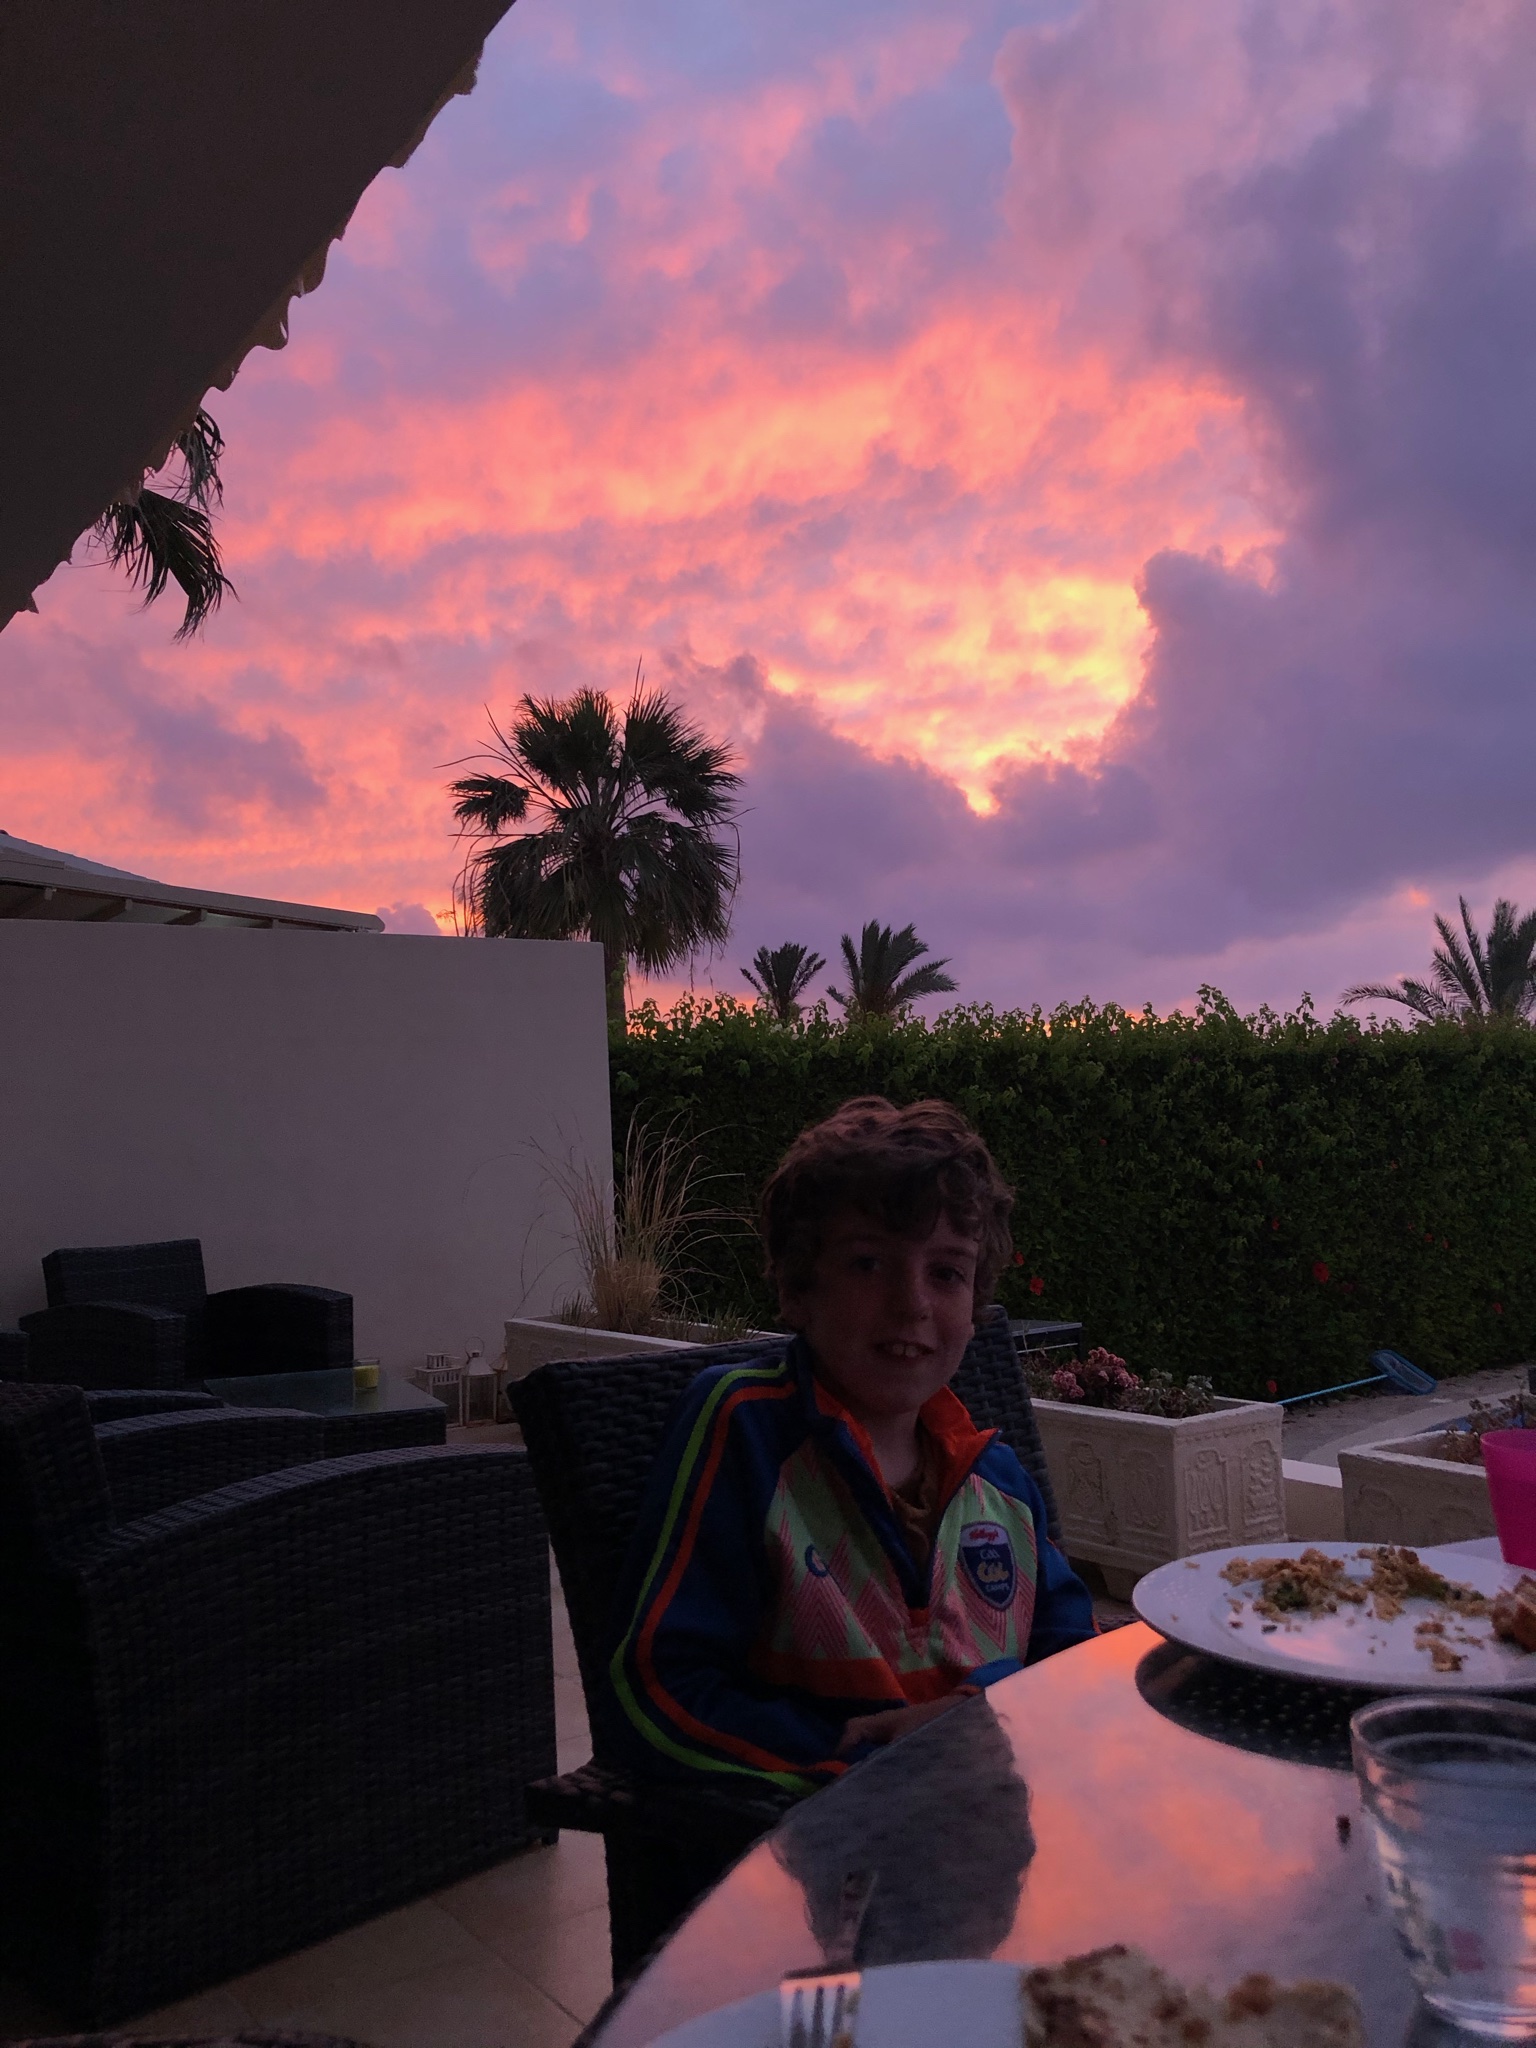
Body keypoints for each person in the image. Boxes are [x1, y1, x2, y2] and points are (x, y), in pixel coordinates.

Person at [601, 1095, 1095, 1791]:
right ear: (799, 1288)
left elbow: (1071, 1661)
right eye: (868, 1263)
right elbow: (661, 1688)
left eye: (947, 1272)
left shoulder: (999, 1482)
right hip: (818, 1845)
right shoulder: (748, 1432)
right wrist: (865, 1767)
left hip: (999, 1836)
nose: (912, 1303)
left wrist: (976, 1709)